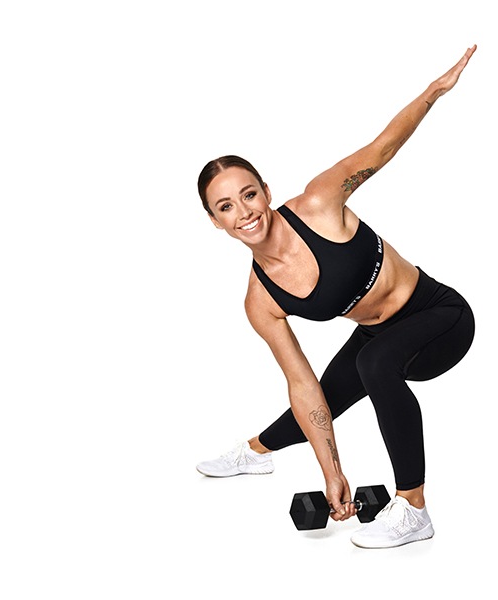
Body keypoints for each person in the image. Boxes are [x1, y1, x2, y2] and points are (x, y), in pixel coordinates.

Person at [195, 46, 478, 549]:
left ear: (265, 188)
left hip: (441, 318)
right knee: (328, 391)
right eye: (225, 207)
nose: (244, 212)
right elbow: (304, 389)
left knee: (374, 362)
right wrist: (333, 473)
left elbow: (384, 145)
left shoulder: (320, 202)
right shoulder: (261, 301)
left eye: (248, 194)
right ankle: (258, 451)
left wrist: (433, 92)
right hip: (378, 337)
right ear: (216, 222)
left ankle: (413, 507)